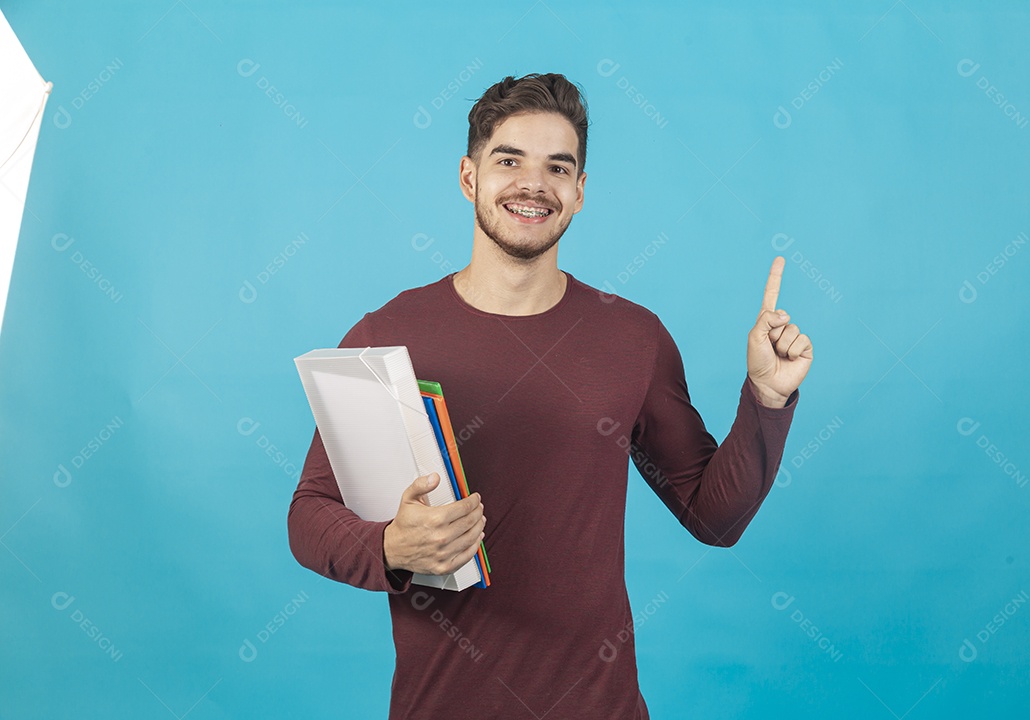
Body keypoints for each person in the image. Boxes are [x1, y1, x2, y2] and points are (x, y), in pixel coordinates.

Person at [288, 72, 813, 719]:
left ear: (580, 191)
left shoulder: (633, 337)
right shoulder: (385, 335)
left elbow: (713, 517)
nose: (533, 184)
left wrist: (766, 398)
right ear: (468, 176)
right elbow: (309, 513)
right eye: (509, 160)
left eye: (557, 167)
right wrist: (390, 548)